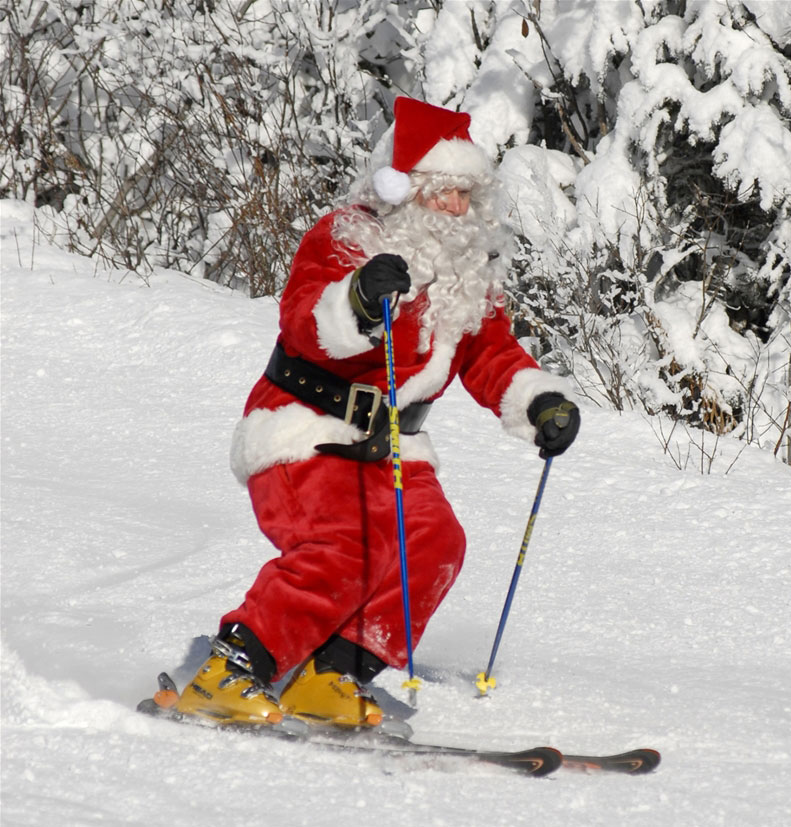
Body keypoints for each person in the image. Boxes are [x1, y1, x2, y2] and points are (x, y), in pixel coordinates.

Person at [165, 97, 580, 729]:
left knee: (435, 542)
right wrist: (358, 297)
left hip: (389, 447)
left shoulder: (467, 273)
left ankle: (333, 675)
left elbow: (490, 351)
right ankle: (231, 670)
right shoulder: (344, 239)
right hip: (304, 431)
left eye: (465, 195)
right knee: (344, 545)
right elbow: (304, 321)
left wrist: (537, 400)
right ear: (405, 189)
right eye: (441, 192)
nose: (455, 208)